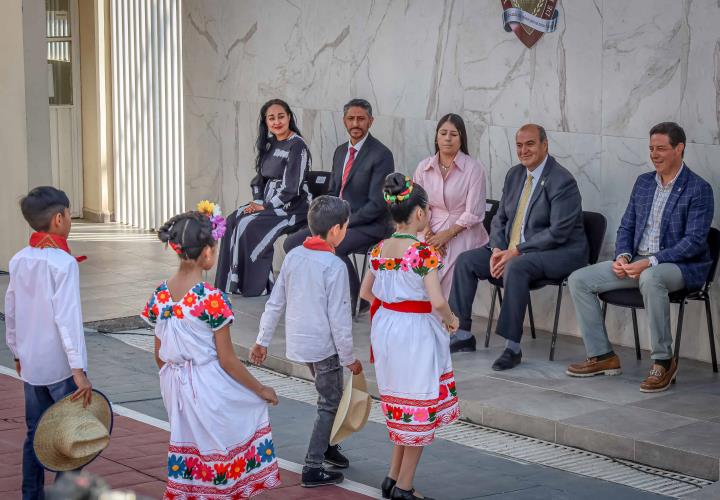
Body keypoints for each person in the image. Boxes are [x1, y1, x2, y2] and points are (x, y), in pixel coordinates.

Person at [143, 202, 281, 498]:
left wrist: (176, 381)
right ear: (207, 252)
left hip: (174, 386)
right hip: (206, 386)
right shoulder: (210, 298)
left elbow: (158, 352)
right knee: (220, 449)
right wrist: (259, 390)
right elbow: (228, 360)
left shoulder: (160, 293)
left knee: (188, 448)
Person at [567, 122, 714, 392]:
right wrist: (623, 256)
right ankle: (602, 356)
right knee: (579, 279)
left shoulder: (698, 189)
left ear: (679, 149)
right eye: (651, 148)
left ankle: (663, 361)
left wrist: (650, 261)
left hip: (678, 266)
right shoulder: (644, 183)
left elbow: (693, 243)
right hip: (637, 262)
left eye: (661, 148)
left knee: (651, 277)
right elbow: (627, 226)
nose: (654, 154)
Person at [449, 124, 588, 368]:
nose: (524, 150)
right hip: (513, 250)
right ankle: (462, 334)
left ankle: (512, 348)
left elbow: (558, 232)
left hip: (558, 252)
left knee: (516, 267)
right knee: (466, 261)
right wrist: (496, 250)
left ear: (545, 145)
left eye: (530, 144)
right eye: (519, 145)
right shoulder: (514, 174)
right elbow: (500, 217)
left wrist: (516, 251)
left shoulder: (562, 180)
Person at [250, 195, 363, 488]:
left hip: (300, 342)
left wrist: (262, 340)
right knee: (330, 401)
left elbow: (276, 302)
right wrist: (349, 356)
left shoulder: (294, 256)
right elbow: (339, 318)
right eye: (346, 227)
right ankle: (313, 465)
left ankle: (326, 446)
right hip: (324, 346)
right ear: (336, 230)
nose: (347, 231)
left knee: (330, 395)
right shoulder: (334, 266)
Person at [360, 174, 460, 500]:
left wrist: (391, 304)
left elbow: (365, 292)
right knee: (417, 405)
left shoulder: (378, 250)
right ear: (419, 214)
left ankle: (392, 477)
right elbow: (438, 301)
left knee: (401, 403)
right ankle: (403, 486)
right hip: (415, 331)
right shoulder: (422, 253)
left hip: (386, 327)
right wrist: (451, 320)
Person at [5, 186, 93, 500]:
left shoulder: (19, 259)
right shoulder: (63, 263)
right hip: (61, 366)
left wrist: (16, 351)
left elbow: (10, 310)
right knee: (70, 436)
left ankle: (31, 495)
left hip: (32, 364)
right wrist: (78, 368)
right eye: (69, 214)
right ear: (59, 219)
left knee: (35, 433)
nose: (70, 220)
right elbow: (67, 321)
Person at [284, 98, 395, 312]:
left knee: (334, 245)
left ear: (370, 121)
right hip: (336, 223)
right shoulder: (340, 151)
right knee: (292, 243)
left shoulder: (381, 155)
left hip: (369, 225)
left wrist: (343, 223)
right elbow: (333, 192)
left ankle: (358, 299)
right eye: (351, 119)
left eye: (361, 119)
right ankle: (312, 293)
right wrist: (323, 218)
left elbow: (378, 204)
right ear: (344, 121)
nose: (356, 124)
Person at [215, 98, 312, 296]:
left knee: (249, 223)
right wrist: (259, 201)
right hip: (267, 204)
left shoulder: (297, 147)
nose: (277, 122)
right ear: (265, 122)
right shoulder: (269, 145)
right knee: (233, 220)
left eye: (281, 117)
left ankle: (255, 286)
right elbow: (259, 179)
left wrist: (267, 206)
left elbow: (291, 188)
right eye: (271, 118)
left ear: (289, 118)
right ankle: (230, 282)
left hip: (291, 208)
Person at [413, 113, 489, 301]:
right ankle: (420, 322)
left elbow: (474, 212)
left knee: (447, 268)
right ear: (436, 137)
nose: (448, 138)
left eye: (453, 134)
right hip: (428, 227)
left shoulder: (474, 168)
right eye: (443, 133)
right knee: (417, 264)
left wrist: (446, 235)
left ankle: (446, 325)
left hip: (462, 230)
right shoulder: (424, 167)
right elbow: (417, 203)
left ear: (461, 138)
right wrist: (429, 233)